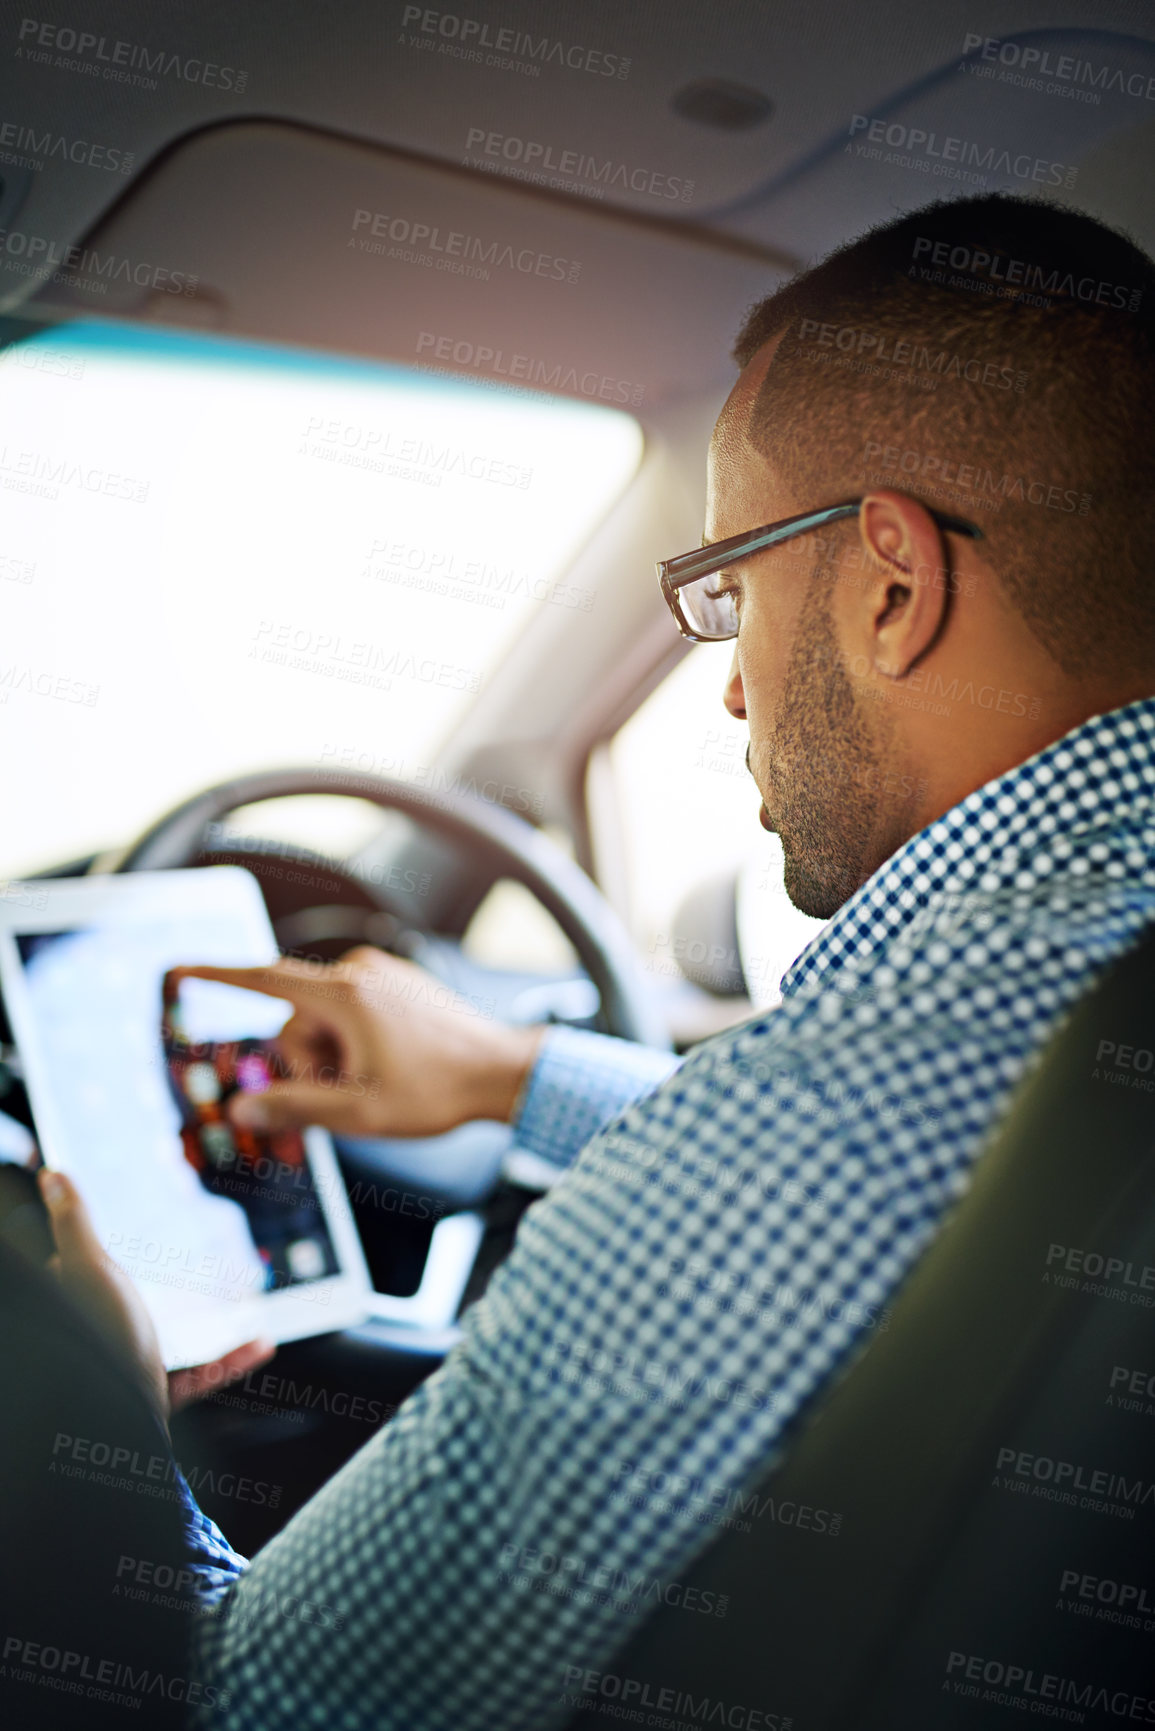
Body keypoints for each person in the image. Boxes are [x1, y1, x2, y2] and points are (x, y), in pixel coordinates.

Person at [45, 191, 1155, 1730]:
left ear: (893, 585)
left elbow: (232, 1706)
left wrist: (85, 1413)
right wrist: (510, 1073)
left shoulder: (796, 1137)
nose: (727, 692)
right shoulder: (1058, 1005)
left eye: (732, 591)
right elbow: (919, 1200)